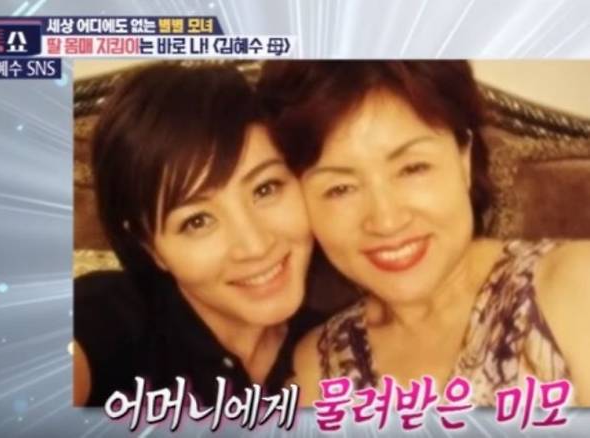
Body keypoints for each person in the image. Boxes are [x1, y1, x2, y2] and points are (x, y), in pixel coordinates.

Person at [257, 61, 590, 406]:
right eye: (340, 188)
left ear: (464, 159)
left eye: (413, 168)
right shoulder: (317, 368)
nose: (386, 221)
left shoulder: (574, 288)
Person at [73, 62, 322, 407]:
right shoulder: (109, 316)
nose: (254, 246)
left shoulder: (345, 333)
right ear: (149, 245)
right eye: (197, 221)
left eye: (265, 189)